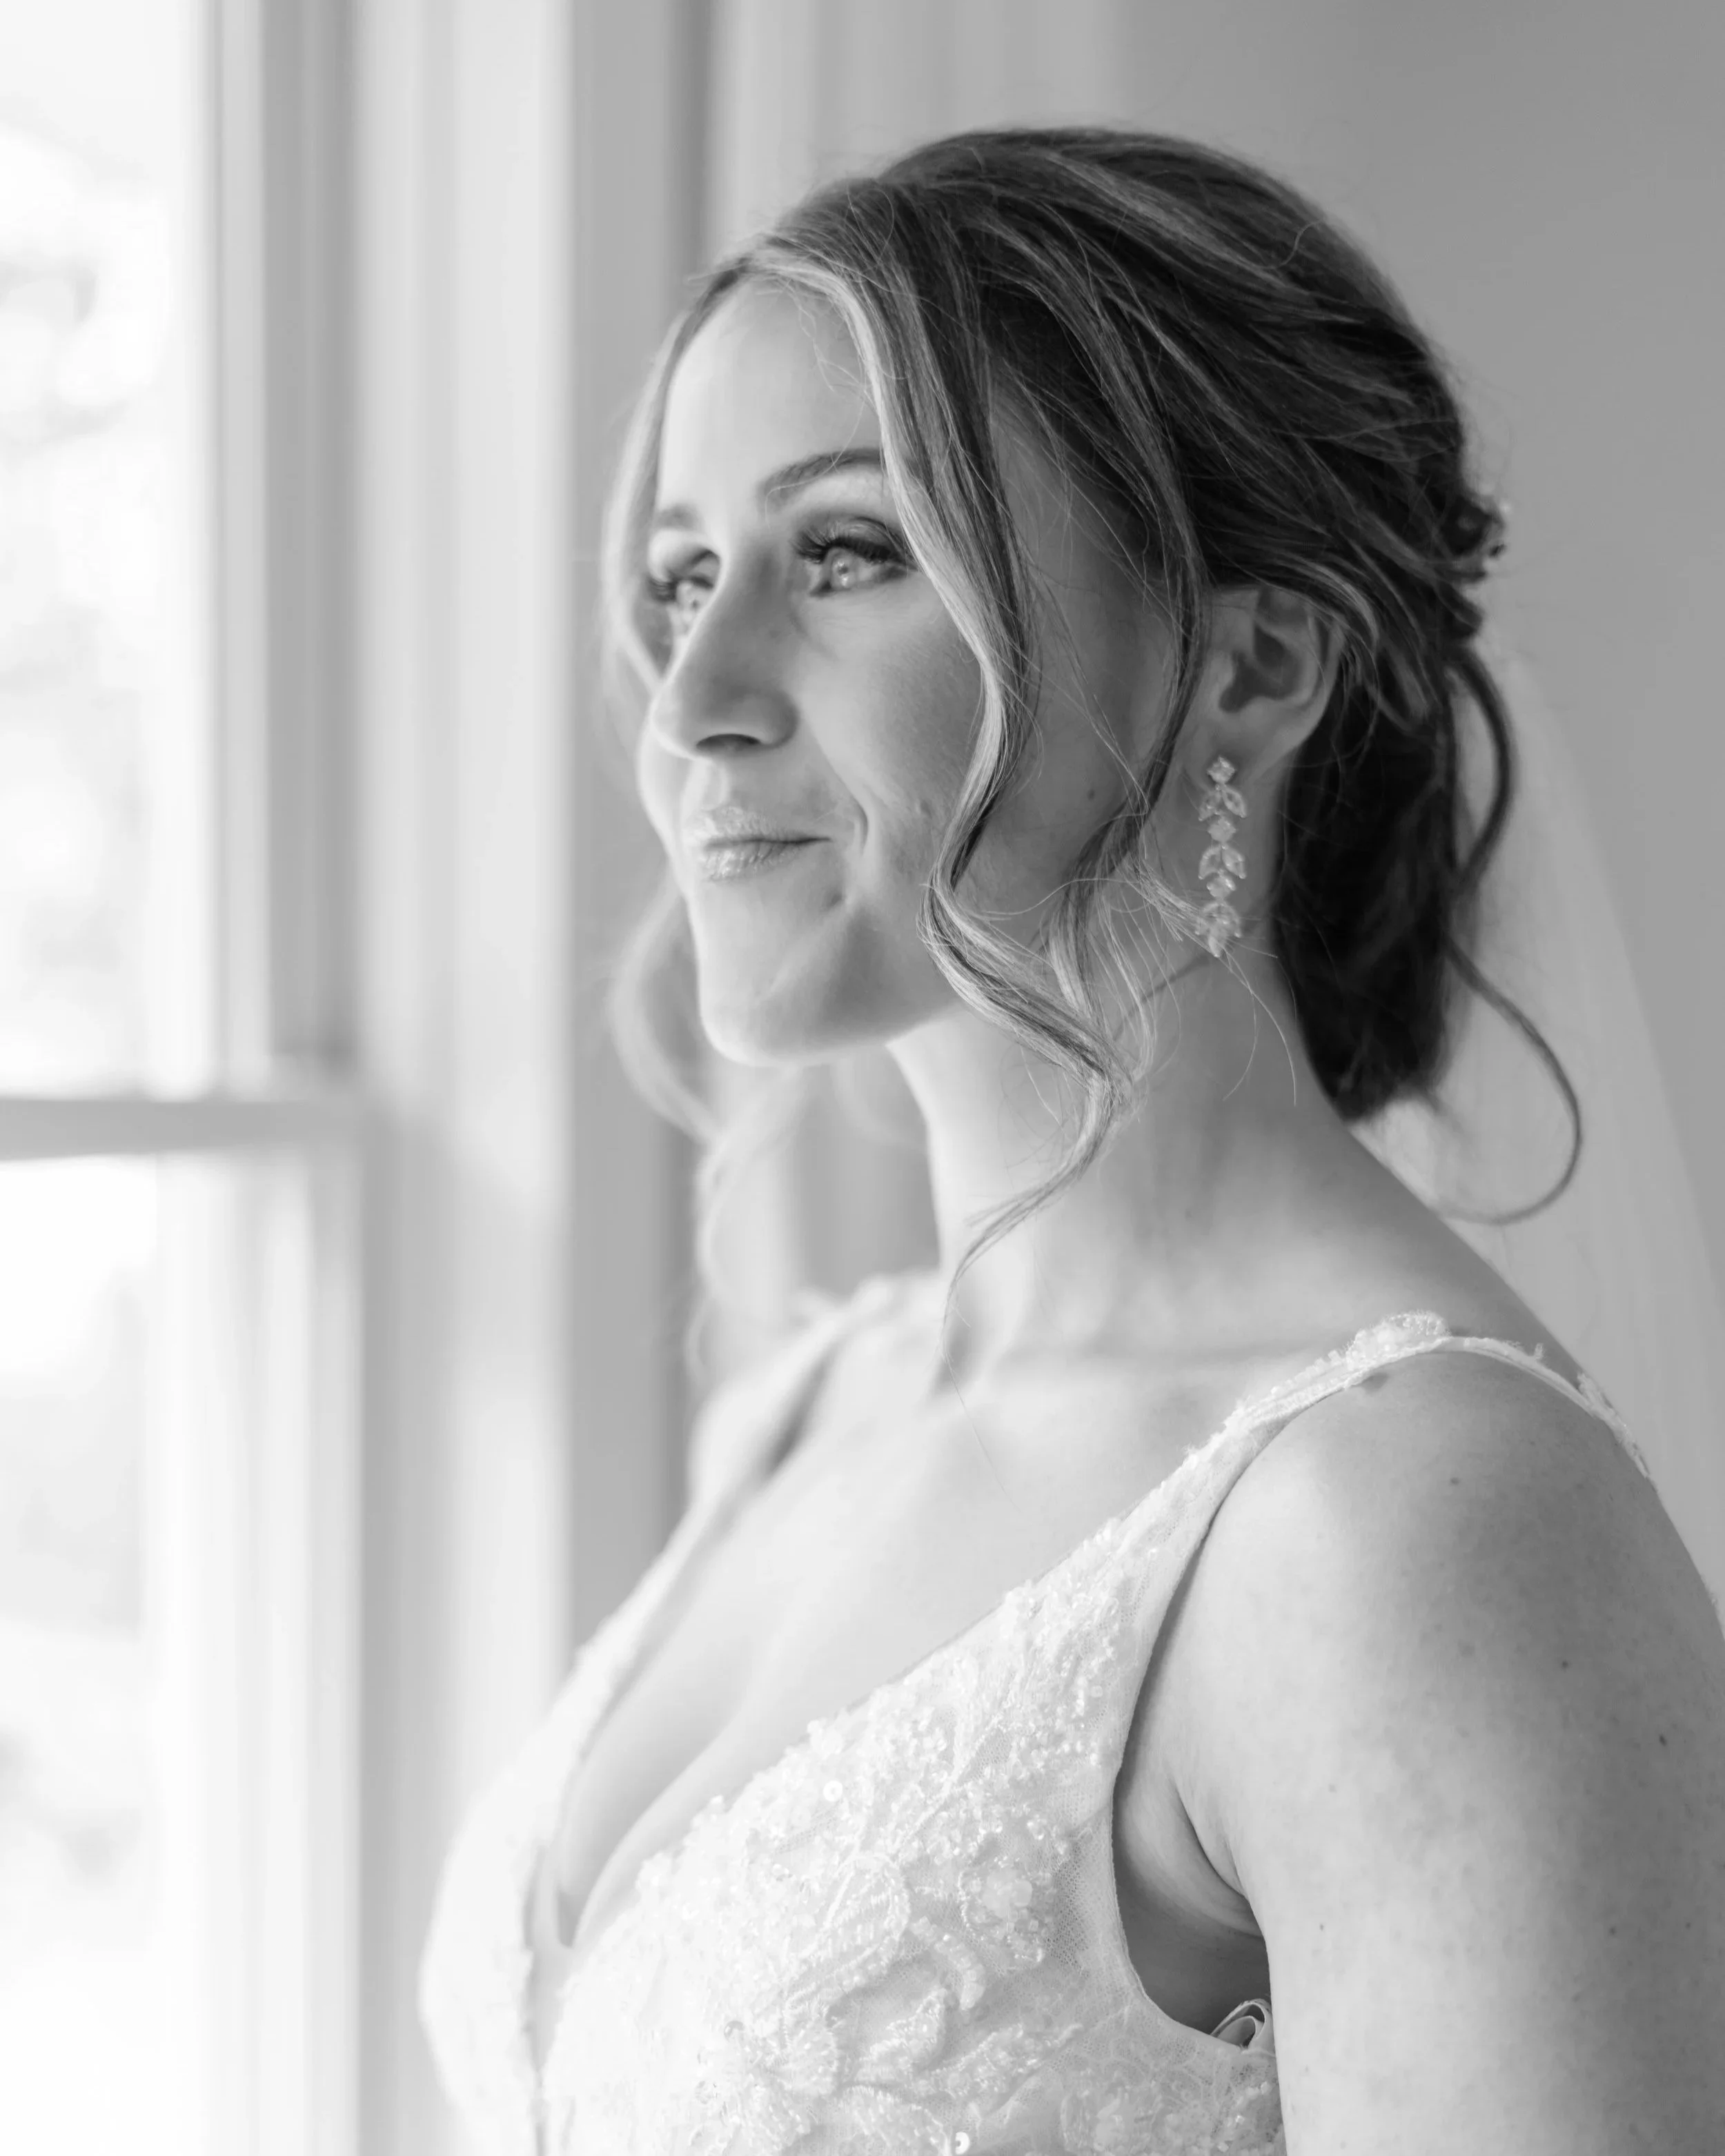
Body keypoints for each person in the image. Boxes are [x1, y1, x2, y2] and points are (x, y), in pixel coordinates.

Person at [418, 128, 1725, 2154]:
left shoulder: (1416, 1521)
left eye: (845, 551)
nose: (691, 695)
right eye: (682, 575)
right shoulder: (805, 1404)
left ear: (1253, 661)